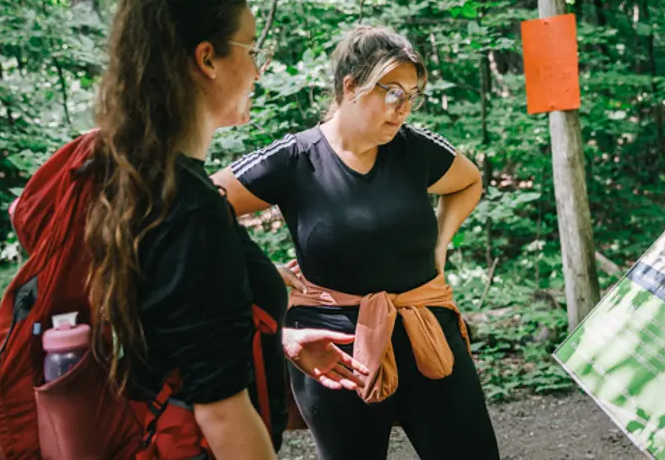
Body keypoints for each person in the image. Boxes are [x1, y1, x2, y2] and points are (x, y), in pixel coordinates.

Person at [85, 0, 366, 459]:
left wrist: (282, 333)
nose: (258, 70)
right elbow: (220, 411)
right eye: (251, 49)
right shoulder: (189, 207)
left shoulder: (135, 176)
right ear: (207, 58)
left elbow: (176, 333)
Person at [212, 26, 500, 460]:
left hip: (427, 333)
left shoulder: (415, 149)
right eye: (392, 93)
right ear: (351, 86)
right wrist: (260, 270)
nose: (403, 108)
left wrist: (441, 243)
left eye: (411, 95)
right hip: (335, 352)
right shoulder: (294, 158)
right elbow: (198, 206)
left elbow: (469, 181)